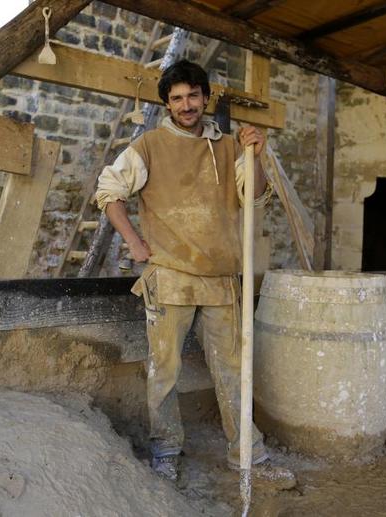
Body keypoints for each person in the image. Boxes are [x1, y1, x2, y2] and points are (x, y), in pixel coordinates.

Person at [95, 60, 294, 486]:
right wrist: (134, 242)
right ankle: (165, 450)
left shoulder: (229, 145)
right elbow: (109, 192)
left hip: (222, 277)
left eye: (193, 96)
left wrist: (254, 154)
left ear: (205, 98)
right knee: (164, 370)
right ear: (167, 103)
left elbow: (254, 197)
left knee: (233, 369)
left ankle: (248, 456)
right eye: (177, 98)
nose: (186, 105)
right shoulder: (148, 145)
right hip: (169, 275)